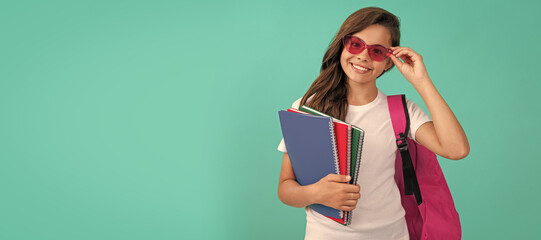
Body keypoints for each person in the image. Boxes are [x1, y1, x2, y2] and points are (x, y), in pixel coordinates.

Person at [276, 7, 469, 240]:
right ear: (342, 45)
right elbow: (286, 189)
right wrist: (317, 193)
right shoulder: (309, 108)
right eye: (355, 44)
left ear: (388, 62)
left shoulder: (402, 111)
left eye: (377, 51)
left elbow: (456, 149)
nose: (363, 56)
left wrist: (421, 80)